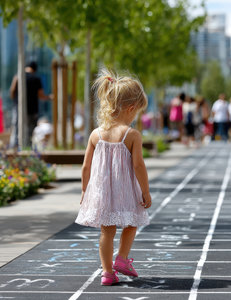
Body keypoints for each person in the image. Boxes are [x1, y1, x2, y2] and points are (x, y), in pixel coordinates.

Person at [75, 68, 151, 286]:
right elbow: (138, 165)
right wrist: (145, 191)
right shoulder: (132, 135)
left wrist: (84, 191)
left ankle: (107, 273)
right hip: (125, 190)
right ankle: (123, 259)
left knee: (106, 232)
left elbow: (85, 167)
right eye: (137, 112)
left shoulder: (95, 134)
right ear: (130, 108)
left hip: (101, 192)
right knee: (132, 223)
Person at [9, 61, 51, 148]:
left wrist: (16, 100)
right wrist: (50, 97)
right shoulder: (36, 79)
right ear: (35, 70)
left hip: (19, 109)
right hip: (32, 110)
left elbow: (12, 92)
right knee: (30, 132)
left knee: (16, 130)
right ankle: (27, 149)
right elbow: (41, 95)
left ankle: (14, 148)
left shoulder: (17, 76)